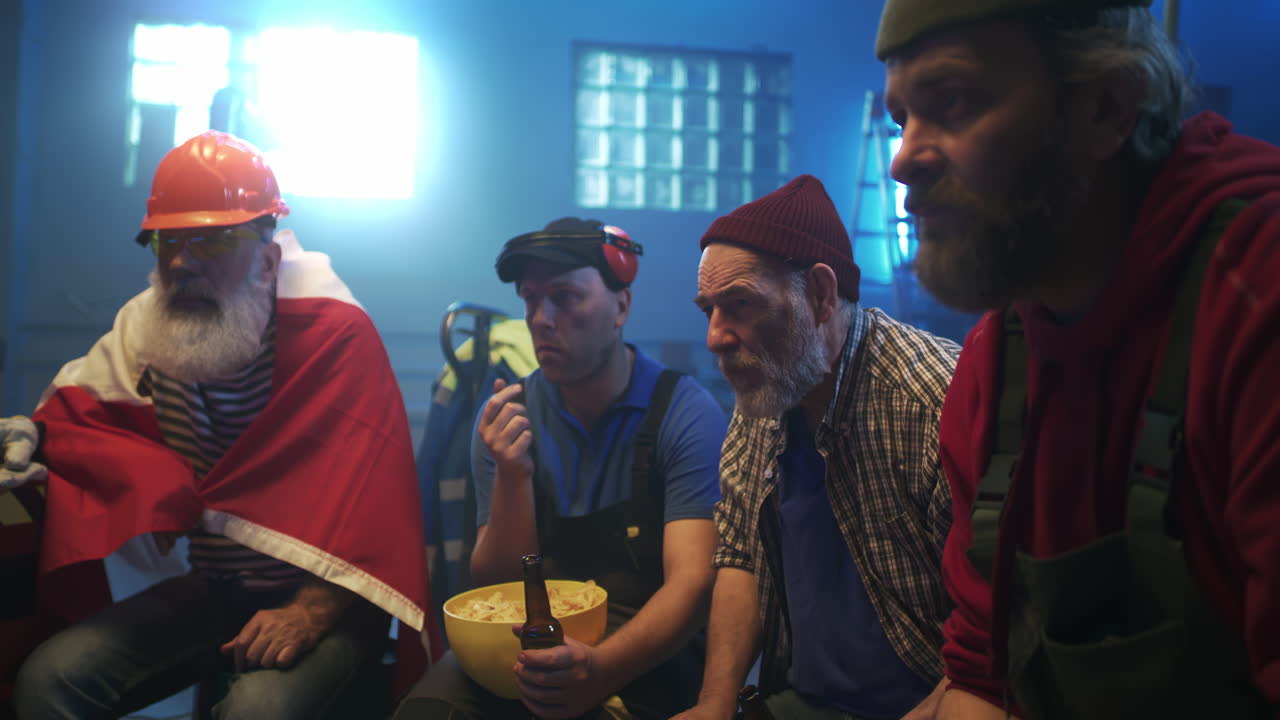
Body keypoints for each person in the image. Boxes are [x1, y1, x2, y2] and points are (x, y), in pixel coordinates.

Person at [876, 1, 1280, 718]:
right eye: (901, 118)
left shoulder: (1256, 297)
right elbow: (982, 677)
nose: (903, 159)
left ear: (1107, 106)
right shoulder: (993, 364)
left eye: (953, 100)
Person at [3, 130, 435, 719]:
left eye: (211, 241)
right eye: (167, 242)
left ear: (268, 261)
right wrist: (31, 438)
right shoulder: (146, 332)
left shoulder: (333, 336)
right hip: (218, 585)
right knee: (49, 680)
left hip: (331, 594)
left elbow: (378, 516)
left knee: (256, 713)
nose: (182, 263)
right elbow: (81, 418)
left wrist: (309, 613)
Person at [392, 218, 728, 720]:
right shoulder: (508, 417)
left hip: (647, 649)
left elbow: (693, 584)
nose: (541, 319)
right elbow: (498, 584)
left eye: (565, 298)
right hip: (526, 641)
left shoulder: (684, 413)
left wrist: (601, 669)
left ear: (621, 307)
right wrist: (513, 476)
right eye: (530, 300)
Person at [677, 174, 960, 720]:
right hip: (803, 702)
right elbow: (740, 555)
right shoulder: (766, 393)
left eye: (740, 304)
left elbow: (998, 631)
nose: (715, 336)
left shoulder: (935, 404)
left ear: (821, 295)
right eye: (708, 309)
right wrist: (714, 704)